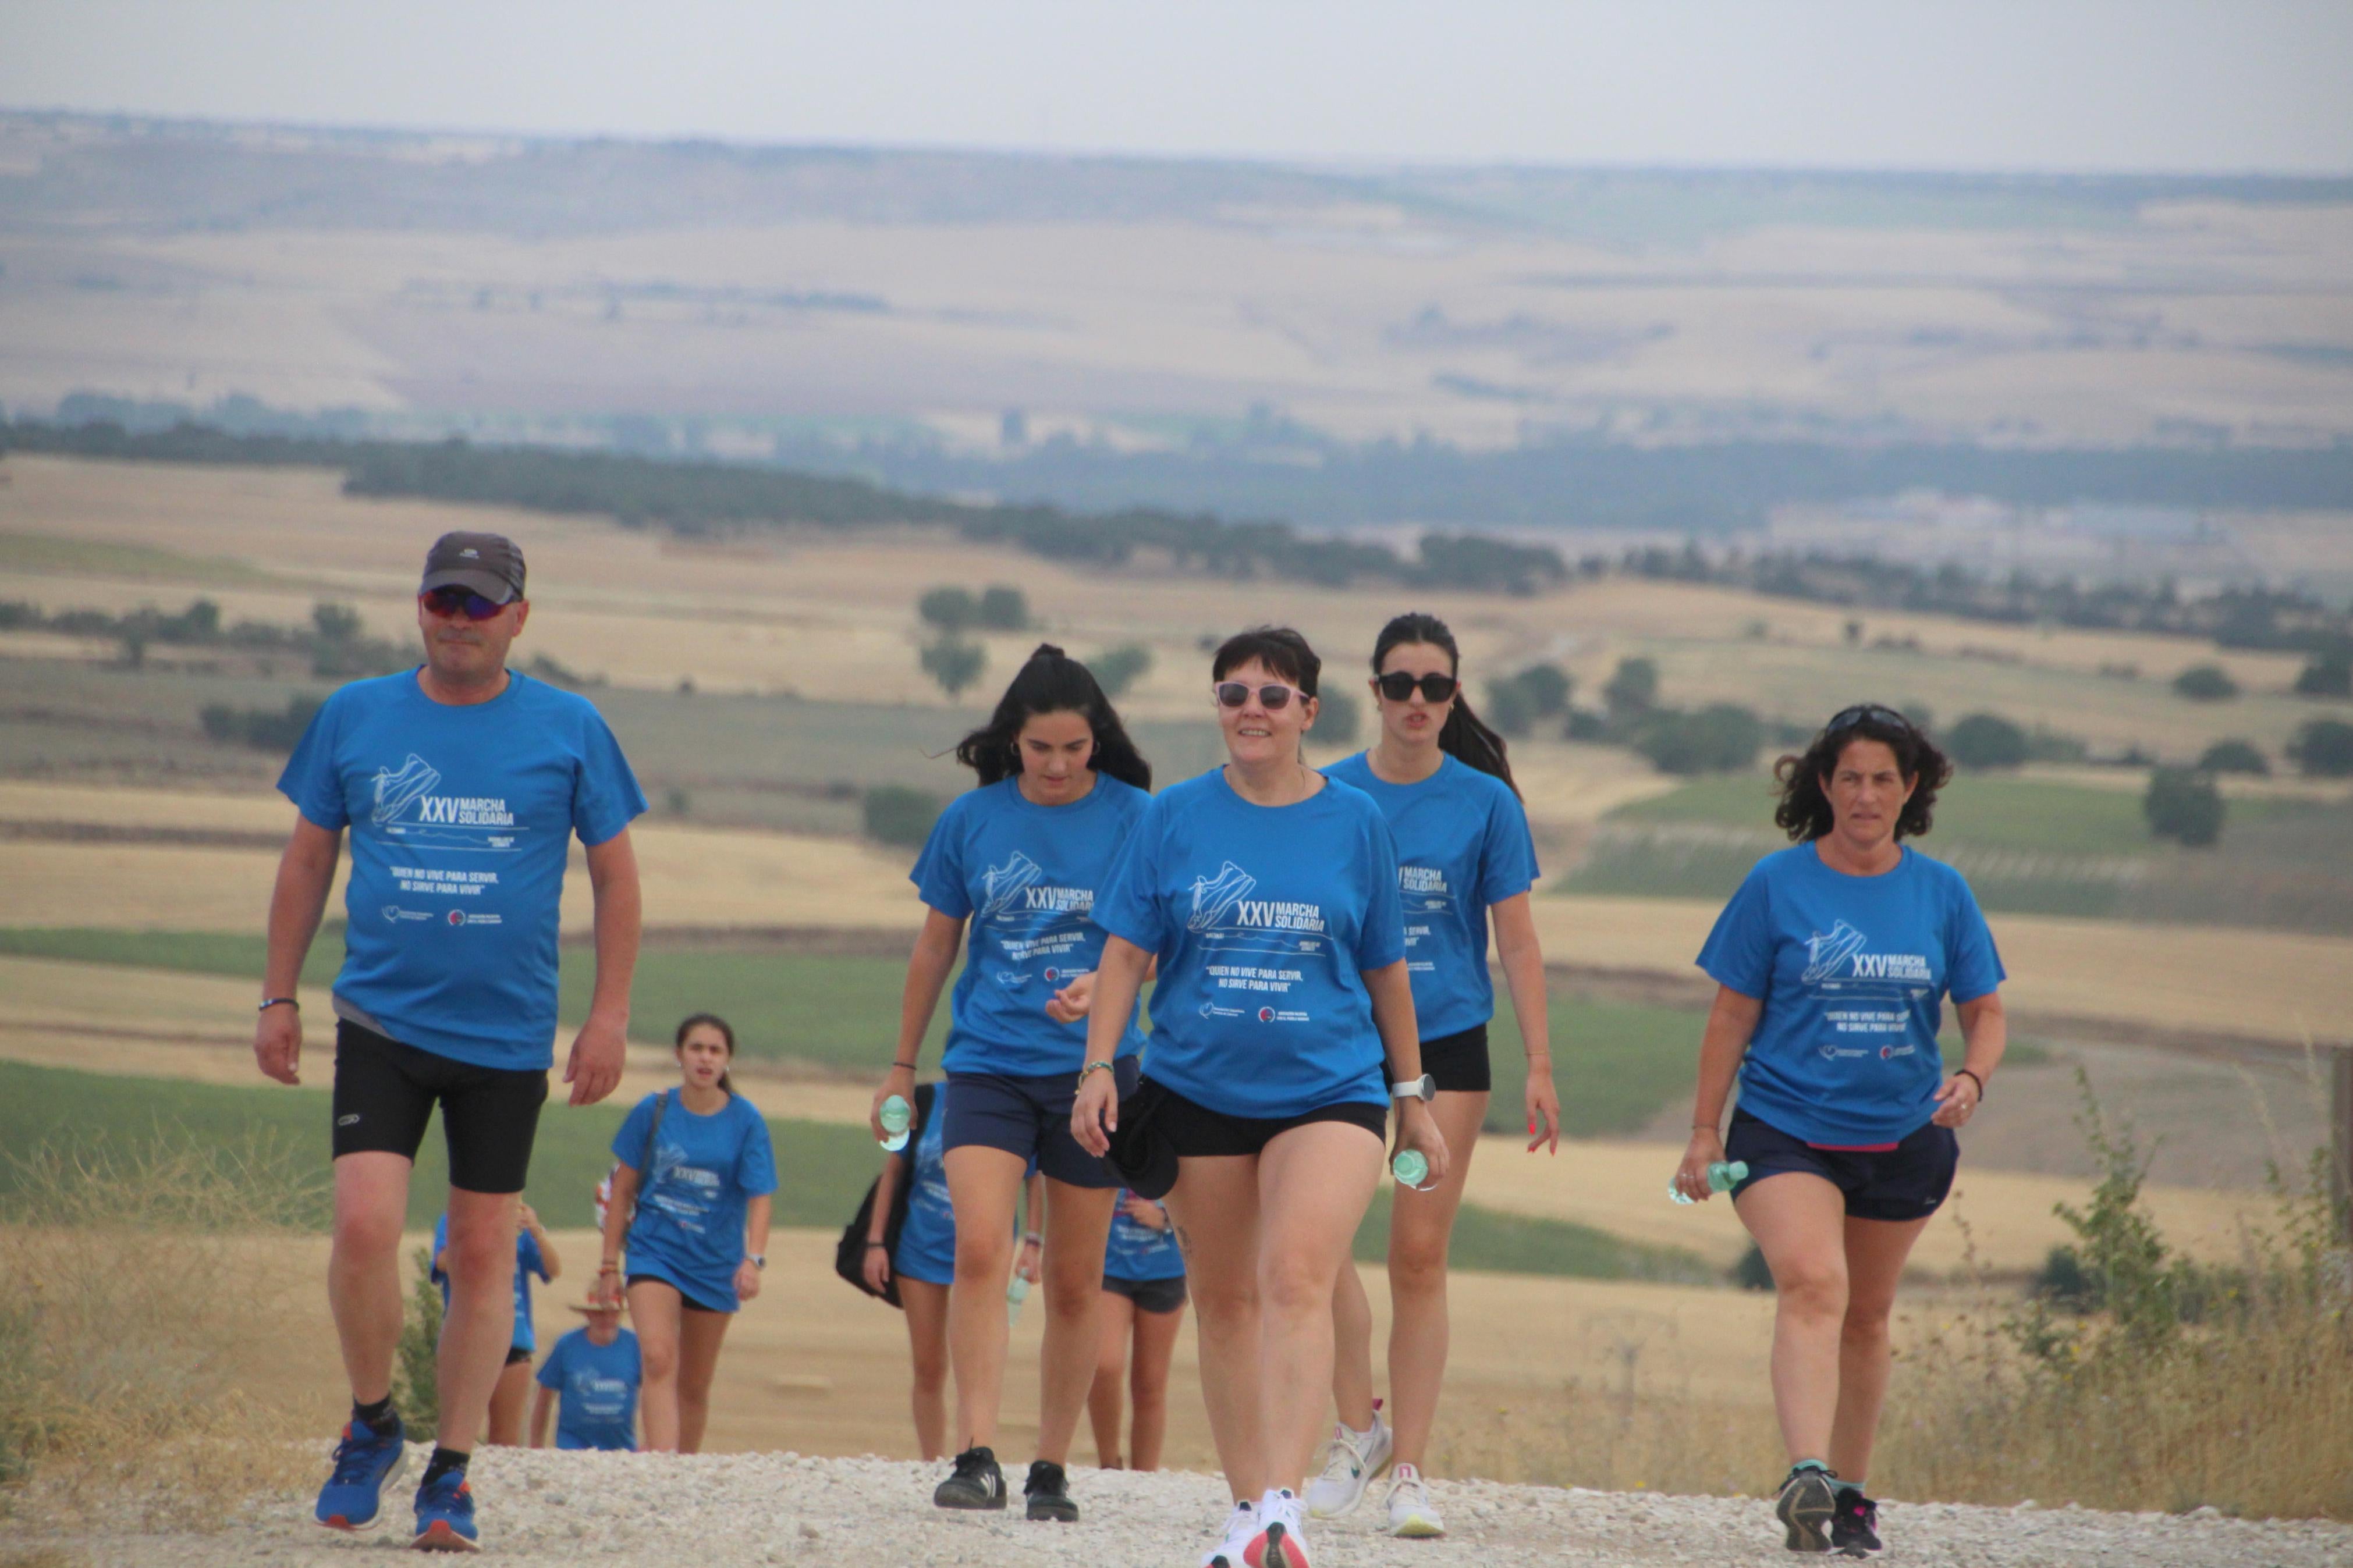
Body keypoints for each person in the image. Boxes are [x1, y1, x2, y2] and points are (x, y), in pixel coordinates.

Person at [261, 529, 644, 1550]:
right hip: (380, 1020)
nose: (457, 621)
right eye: (442, 600)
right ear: (419, 605)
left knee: (482, 1253)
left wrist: (607, 1017)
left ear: (519, 615)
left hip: (507, 1037)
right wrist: (278, 997)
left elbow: (615, 877)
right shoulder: (356, 714)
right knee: (365, 1229)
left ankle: (453, 1471)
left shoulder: (569, 726)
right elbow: (307, 861)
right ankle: (374, 1421)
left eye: (478, 605)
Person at [1076, 626, 1450, 1568]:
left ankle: (1283, 1506)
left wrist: (1413, 1098)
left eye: (1272, 696)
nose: (1251, 709)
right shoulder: (1170, 818)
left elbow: (1387, 970)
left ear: (1308, 713)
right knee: (1225, 1299)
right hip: (1195, 1088)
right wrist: (1094, 1066)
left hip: (1328, 1088)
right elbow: (1123, 953)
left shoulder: (1354, 821)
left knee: (1295, 1276)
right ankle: (1248, 1513)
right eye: (1233, 692)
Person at [1674, 704, 2006, 1558]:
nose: (1864, 794)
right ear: (1822, 785)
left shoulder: (1941, 891)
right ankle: (1806, 1473)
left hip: (1903, 1134)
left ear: (1910, 790)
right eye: (1849, 777)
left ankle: (1851, 1500)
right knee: (1813, 1281)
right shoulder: (1774, 883)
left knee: (1865, 1315)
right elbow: (1729, 1014)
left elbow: (1985, 1008)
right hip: (1784, 1127)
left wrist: (1970, 1074)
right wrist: (1703, 1130)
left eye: (1882, 779)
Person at [869, 644, 1155, 1522]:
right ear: (1013, 743)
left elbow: (1164, 936)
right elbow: (933, 946)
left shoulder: (1140, 817)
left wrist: (1111, 987)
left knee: (1074, 1280)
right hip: (985, 1063)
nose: (1060, 765)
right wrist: (902, 1062)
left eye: (1076, 747)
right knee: (981, 1245)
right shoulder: (970, 820)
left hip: (1097, 1074)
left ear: (1096, 741)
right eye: (1041, 749)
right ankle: (976, 1451)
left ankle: (1051, 1467)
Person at [1309, 611, 1558, 1537]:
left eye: (1436, 686)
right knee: (1317, 1237)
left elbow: (1517, 940)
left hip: (1449, 1039)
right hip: (1339, 1038)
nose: (1417, 701)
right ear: (1371, 691)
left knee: (1416, 1251)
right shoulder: (1325, 790)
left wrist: (1538, 1061)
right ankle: (1354, 1430)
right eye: (1400, 683)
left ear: (1454, 698)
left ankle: (1409, 1465)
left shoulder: (1485, 801)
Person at [595, 1013, 777, 1454]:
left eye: (715, 1050)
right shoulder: (653, 1110)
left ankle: (685, 1470)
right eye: (696, 1048)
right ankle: (660, 1464)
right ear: (679, 1054)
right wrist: (607, 1265)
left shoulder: (746, 1120)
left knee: (695, 1384)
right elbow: (622, 1188)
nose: (705, 1057)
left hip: (715, 1262)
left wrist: (752, 1259)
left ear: (727, 1060)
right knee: (658, 1357)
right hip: (654, 1251)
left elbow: (760, 1196)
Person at [861, 1079, 1048, 1461]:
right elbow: (892, 1172)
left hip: (985, 1252)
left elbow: (1033, 1177)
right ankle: (932, 1459)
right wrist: (875, 1242)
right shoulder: (926, 1102)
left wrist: (1032, 1242)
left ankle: (972, 1447)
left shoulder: (1007, 1099)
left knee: (976, 1361)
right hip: (920, 1250)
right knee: (929, 1365)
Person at [430, 1202, 560, 1446]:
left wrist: (536, 1231)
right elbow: (442, 1264)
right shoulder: (452, 1219)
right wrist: (481, 1236)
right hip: (467, 1338)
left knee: (506, 1440)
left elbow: (553, 1270)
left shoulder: (518, 1224)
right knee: (457, 1434)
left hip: (514, 1337)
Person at [1088, 1188, 1187, 1473]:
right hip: (1109, 1265)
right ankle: (1109, 1465)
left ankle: (1145, 1476)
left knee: (1150, 1384)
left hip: (1166, 1268)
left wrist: (1167, 1218)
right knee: (1105, 1365)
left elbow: (1204, 1193)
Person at [530, 1299, 641, 1452]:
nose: (607, 1319)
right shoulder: (567, 1345)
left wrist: (651, 1444)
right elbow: (545, 1394)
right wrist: (536, 1445)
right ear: (588, 1314)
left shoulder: (635, 1345)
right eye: (599, 1313)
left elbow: (656, 1395)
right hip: (572, 1446)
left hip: (622, 1448)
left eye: (612, 1313)